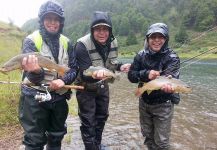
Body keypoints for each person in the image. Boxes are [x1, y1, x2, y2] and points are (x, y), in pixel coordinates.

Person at [18, 1, 77, 150]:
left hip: (59, 97)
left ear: (61, 22)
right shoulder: (31, 41)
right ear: (42, 20)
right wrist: (36, 71)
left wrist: (63, 81)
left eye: (56, 19)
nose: (52, 23)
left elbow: (74, 69)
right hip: (34, 96)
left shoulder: (67, 42)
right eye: (48, 18)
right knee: (34, 141)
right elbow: (31, 77)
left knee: (56, 136)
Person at [74, 11, 131, 150]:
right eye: (98, 29)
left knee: (102, 116)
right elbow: (84, 72)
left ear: (109, 30)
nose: (102, 33)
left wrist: (120, 66)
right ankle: (90, 148)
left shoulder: (113, 42)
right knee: (88, 121)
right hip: (85, 87)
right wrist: (95, 75)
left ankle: (97, 144)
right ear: (92, 30)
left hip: (103, 86)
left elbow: (110, 64)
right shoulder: (81, 45)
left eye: (105, 29)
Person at [128, 23, 180, 150]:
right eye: (153, 37)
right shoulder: (140, 55)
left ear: (165, 39)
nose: (157, 40)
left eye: (160, 37)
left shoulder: (172, 58)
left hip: (164, 104)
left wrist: (169, 88)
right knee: (147, 136)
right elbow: (131, 76)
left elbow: (172, 78)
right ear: (148, 39)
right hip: (144, 103)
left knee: (161, 142)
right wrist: (146, 74)